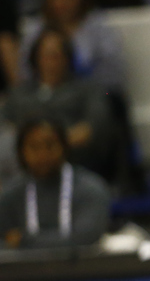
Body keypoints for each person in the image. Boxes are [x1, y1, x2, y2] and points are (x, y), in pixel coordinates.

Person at [4, 28, 117, 180]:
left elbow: (93, 128)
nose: (50, 62)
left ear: (67, 58)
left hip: (75, 162)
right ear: (35, 59)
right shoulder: (19, 94)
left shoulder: (88, 90)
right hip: (20, 164)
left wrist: (50, 146)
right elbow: (5, 126)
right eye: (45, 56)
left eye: (55, 56)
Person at [0, 115, 111, 249]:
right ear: (21, 152)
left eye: (50, 145)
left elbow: (86, 237)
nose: (43, 154)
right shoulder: (10, 195)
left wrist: (23, 240)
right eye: (34, 147)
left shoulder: (91, 189)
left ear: (64, 147)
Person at [19, 0, 127, 93]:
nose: (63, 2)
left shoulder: (97, 26)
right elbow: (25, 71)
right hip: (47, 95)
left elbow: (114, 70)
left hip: (93, 92)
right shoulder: (36, 29)